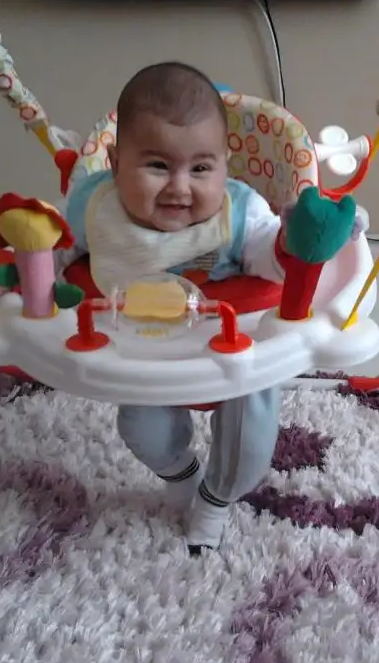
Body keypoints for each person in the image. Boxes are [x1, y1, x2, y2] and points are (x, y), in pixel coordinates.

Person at [61, 61, 295, 556]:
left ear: (225, 166)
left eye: (201, 169)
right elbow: (55, 248)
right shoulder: (94, 208)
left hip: (233, 347)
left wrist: (296, 243)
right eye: (158, 166)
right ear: (115, 162)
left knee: (250, 440)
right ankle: (181, 473)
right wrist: (28, 271)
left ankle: (216, 499)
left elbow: (273, 259)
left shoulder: (238, 213)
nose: (179, 187)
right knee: (141, 429)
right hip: (145, 346)